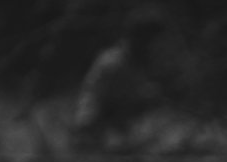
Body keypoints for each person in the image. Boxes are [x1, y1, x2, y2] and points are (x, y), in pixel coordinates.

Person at [71, 9, 167, 150]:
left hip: (119, 133)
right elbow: (93, 109)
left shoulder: (134, 63)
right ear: (138, 37)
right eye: (149, 40)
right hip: (98, 136)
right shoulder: (113, 63)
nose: (153, 47)